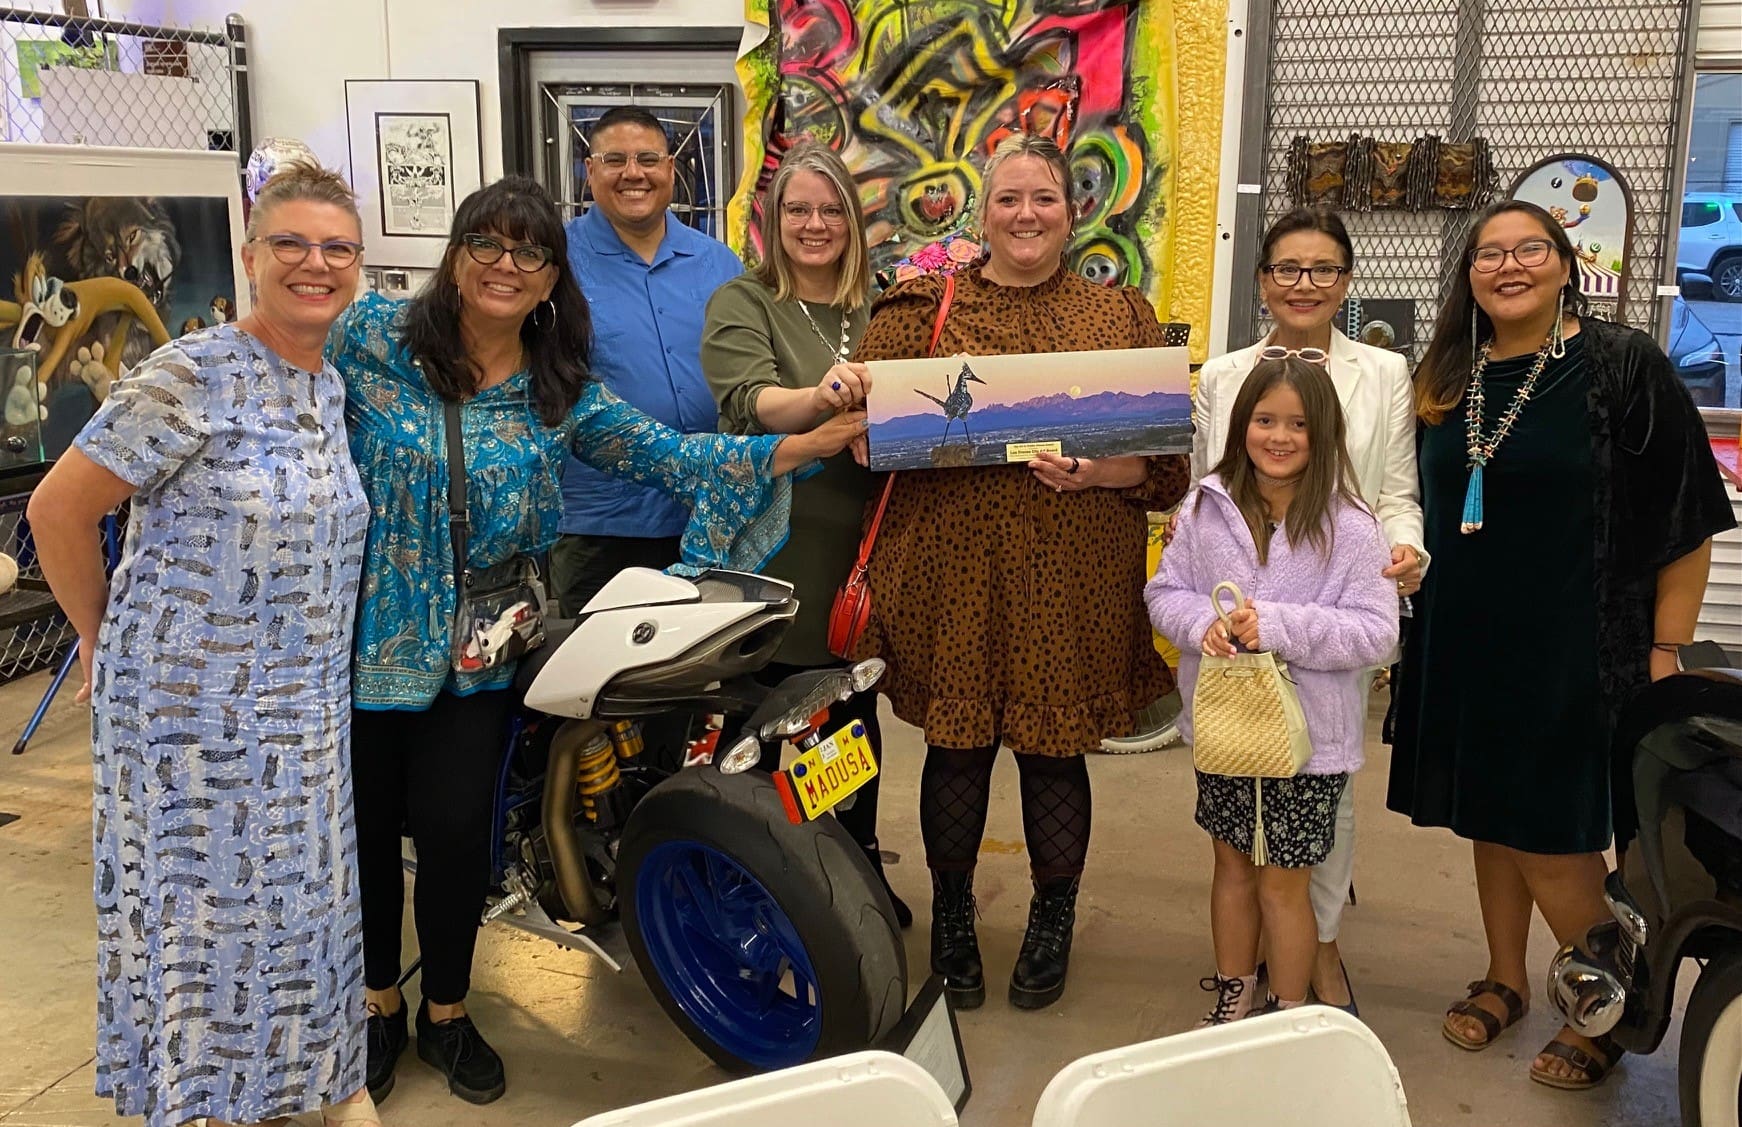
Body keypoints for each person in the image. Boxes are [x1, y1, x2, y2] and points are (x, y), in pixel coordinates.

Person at [328, 176, 863, 1107]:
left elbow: (670, 453)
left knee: (457, 834)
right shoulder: (369, 341)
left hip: (486, 646)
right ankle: (378, 1003)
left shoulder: (556, 387)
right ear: (455, 255)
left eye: (529, 253)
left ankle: (444, 1011)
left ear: (549, 281)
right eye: (486, 244)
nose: (506, 265)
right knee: (367, 832)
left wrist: (800, 446)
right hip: (367, 630)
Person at [30, 164, 380, 1127]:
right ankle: (205, 1105)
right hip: (190, 722)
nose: (316, 264)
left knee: (304, 921)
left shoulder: (330, 387)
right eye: (293, 245)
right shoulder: (189, 373)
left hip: (300, 716)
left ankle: (305, 1083)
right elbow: (60, 510)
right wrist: (101, 638)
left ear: (358, 265)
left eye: (337, 247)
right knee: (205, 936)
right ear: (252, 257)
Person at [1387, 199, 1735, 1090]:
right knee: (1489, 817)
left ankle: (1614, 1002)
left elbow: (1689, 518)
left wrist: (1667, 650)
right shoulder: (1449, 374)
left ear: (1565, 263)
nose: (1508, 266)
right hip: (1463, 641)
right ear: (1466, 274)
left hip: (1575, 642)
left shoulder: (1620, 364)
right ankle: (1505, 977)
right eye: (1488, 253)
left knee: (1550, 829)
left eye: (1529, 249)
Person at [851, 133, 1191, 1012]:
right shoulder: (923, 307)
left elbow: (1167, 470)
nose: (1026, 214)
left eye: (1043, 197)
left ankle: (1052, 918)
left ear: (1073, 212)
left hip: (1068, 575)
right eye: (1008, 198)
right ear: (984, 213)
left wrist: (1105, 470)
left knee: (1051, 753)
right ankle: (955, 918)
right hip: (952, 570)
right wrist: (854, 398)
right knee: (955, 748)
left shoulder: (1120, 320)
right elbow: (865, 437)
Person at [1191, 206, 1424, 1013]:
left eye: (1323, 269)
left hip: (1336, 609)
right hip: (1235, 649)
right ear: (1262, 279)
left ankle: (1317, 949)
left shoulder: (1383, 373)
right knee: (1234, 814)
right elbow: (1207, 498)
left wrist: (1407, 549)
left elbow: (1396, 491)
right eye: (1287, 268)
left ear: (1346, 282)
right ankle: (1245, 973)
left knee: (1326, 783)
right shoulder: (1223, 377)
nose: (1304, 283)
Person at [1148, 356, 1398, 1025]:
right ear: (1242, 425)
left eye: (1298, 423)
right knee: (1231, 867)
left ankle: (1287, 1012)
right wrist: (1205, 626)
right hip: (1226, 730)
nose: (1279, 436)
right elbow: (1164, 593)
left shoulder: (1351, 524)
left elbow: (1377, 632)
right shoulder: (1206, 507)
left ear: (1325, 434)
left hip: (1308, 744)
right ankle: (1235, 992)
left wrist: (1278, 626)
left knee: (1286, 884)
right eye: (1264, 420)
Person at [701, 140, 909, 926]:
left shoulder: (882, 305)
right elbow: (752, 404)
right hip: (780, 560)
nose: (814, 224)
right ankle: (745, 890)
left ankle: (848, 879)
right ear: (772, 220)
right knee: (758, 734)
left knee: (848, 730)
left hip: (865, 561)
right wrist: (820, 396)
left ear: (854, 222)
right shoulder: (745, 302)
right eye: (798, 209)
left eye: (831, 210)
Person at [552, 104, 746, 614]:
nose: (633, 173)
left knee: (696, 679)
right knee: (592, 681)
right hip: (598, 523)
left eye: (648, 159)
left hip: (706, 515)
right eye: (614, 159)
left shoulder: (720, 263)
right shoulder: (554, 263)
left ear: (671, 171)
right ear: (590, 171)